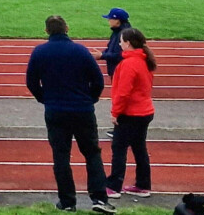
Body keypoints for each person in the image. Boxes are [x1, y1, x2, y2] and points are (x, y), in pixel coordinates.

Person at [26, 15, 113, 214]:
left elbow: (31, 82)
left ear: (46, 31)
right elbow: (98, 81)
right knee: (92, 153)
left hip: (56, 111)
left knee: (61, 156)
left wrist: (45, 98)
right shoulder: (80, 51)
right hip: (82, 110)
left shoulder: (40, 52)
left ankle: (67, 201)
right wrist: (90, 99)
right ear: (67, 28)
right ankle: (99, 197)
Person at [107, 28, 155, 197]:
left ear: (128, 43)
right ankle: (143, 185)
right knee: (139, 148)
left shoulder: (129, 64)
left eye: (121, 41)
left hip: (131, 113)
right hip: (144, 111)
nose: (119, 44)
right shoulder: (144, 61)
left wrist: (115, 112)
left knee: (119, 148)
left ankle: (113, 186)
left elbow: (123, 92)